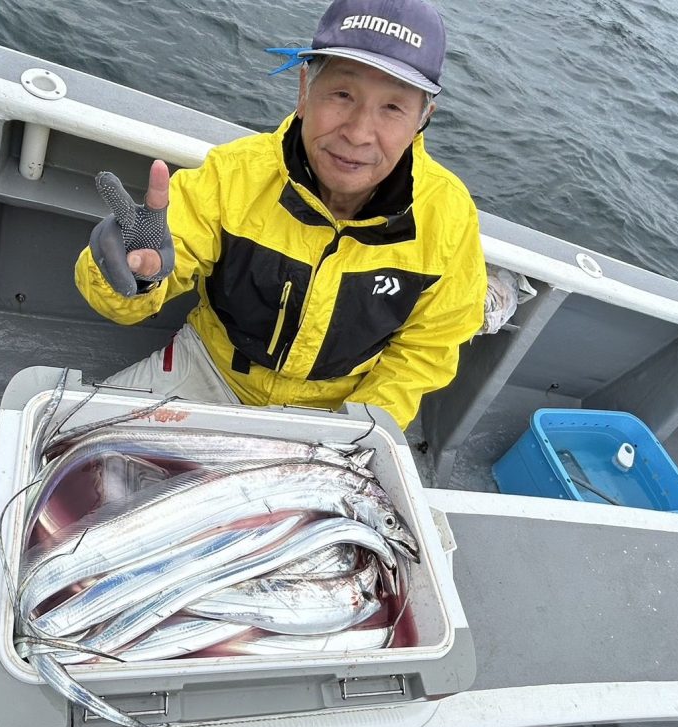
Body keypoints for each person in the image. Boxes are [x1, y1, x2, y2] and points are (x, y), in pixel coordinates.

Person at [75, 0, 486, 432]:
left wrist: (360, 426)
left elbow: (425, 350)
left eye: (393, 108)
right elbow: (129, 293)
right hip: (209, 369)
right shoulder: (233, 175)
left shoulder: (449, 218)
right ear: (305, 90)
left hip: (337, 411)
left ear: (423, 120)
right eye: (343, 94)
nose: (359, 133)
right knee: (66, 444)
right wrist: (129, 271)